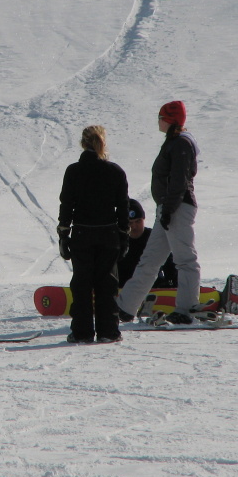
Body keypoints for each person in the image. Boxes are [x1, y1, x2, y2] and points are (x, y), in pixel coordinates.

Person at [116, 101, 202, 324]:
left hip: (177, 208)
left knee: (184, 259)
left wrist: (169, 209)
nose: (158, 121)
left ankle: (187, 308)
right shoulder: (174, 142)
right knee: (150, 259)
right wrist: (164, 210)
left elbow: (179, 181)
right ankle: (126, 306)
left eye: (160, 117)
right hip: (167, 208)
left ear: (169, 120)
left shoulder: (181, 143)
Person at [57, 125, 129, 343]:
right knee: (107, 284)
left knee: (81, 284)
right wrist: (124, 235)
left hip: (82, 234)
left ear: (83, 143)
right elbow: (123, 207)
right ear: (102, 143)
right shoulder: (115, 171)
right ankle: (108, 331)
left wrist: (63, 234)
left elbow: (66, 205)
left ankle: (81, 332)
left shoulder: (74, 171)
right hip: (108, 235)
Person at [118, 198, 177, 289]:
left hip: (154, 289)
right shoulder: (117, 240)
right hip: (123, 288)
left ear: (143, 219)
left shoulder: (154, 238)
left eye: (138, 221)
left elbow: (171, 265)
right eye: (130, 223)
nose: (134, 226)